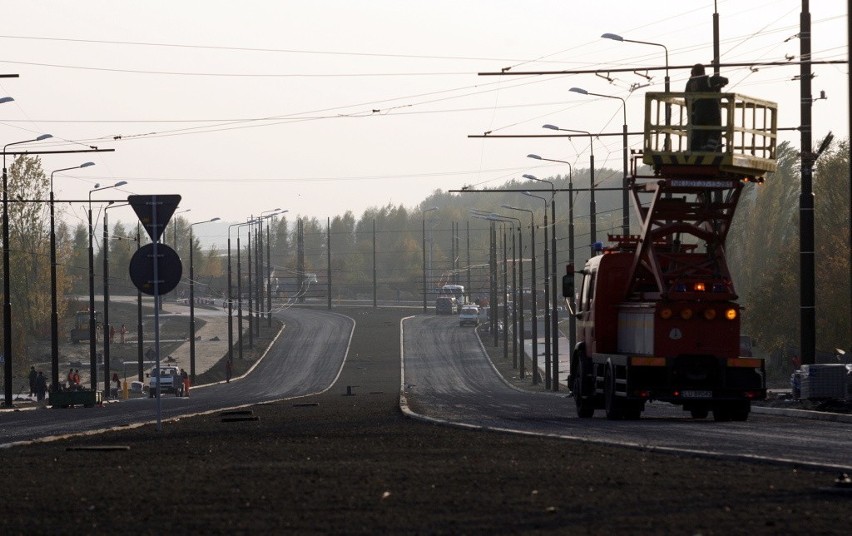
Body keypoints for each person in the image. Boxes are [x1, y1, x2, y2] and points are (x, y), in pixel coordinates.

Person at [685, 63, 728, 151]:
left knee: (698, 131)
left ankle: (695, 148)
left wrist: (691, 114)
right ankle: (710, 148)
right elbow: (723, 80)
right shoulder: (706, 80)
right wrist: (721, 84)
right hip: (711, 110)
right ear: (703, 71)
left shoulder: (689, 84)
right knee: (716, 129)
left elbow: (687, 100)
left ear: (693, 72)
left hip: (697, 112)